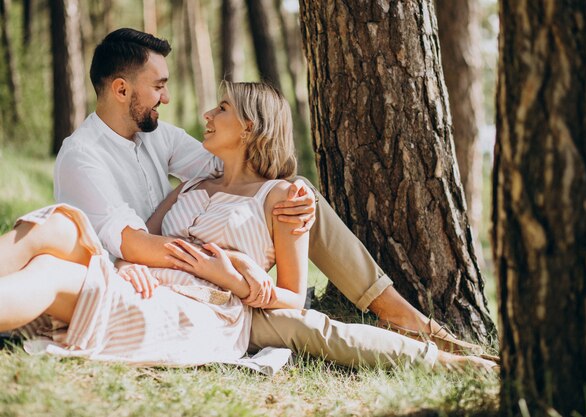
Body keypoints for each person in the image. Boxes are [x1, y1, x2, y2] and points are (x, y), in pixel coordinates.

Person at [0, 80, 495, 372]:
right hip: (147, 284)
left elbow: (293, 300)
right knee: (50, 228)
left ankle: (414, 326)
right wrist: (131, 266)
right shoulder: (190, 186)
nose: (205, 114)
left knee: (49, 272)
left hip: (203, 309)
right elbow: (139, 246)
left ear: (251, 127)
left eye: (222, 109)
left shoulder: (282, 198)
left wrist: (235, 280)